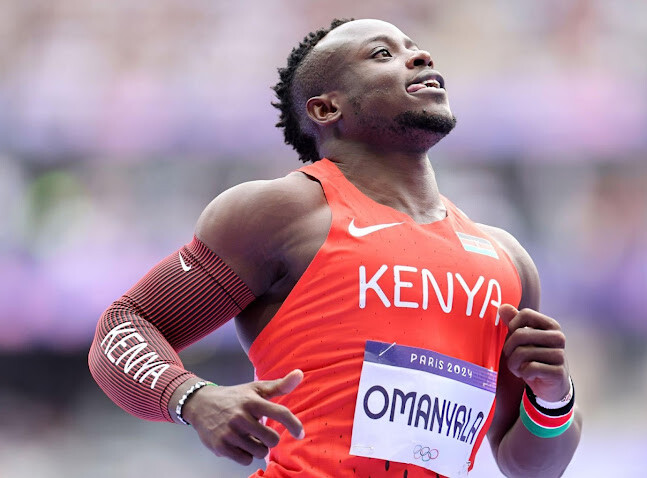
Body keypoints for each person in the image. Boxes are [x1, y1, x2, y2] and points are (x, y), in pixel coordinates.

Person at [89, 18, 582, 478]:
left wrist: (553, 398)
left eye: (416, 49)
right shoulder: (283, 213)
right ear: (327, 108)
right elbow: (124, 325)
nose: (420, 57)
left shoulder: (506, 260)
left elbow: (528, 467)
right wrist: (193, 398)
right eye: (383, 54)